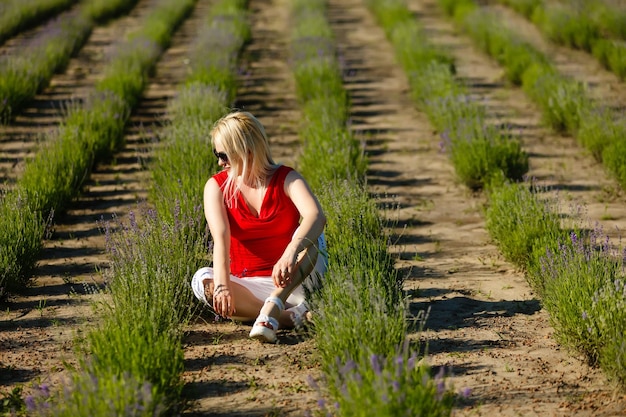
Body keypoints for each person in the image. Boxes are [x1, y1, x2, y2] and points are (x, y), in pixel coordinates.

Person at [190, 111, 327, 343]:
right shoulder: (216, 187)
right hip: (248, 286)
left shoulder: (287, 178)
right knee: (203, 280)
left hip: (295, 278)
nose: (219, 162)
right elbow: (221, 239)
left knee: (315, 237)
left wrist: (290, 253)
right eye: (217, 154)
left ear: (244, 151)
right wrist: (223, 286)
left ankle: (275, 303)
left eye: (223, 155)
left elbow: (316, 215)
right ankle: (284, 317)